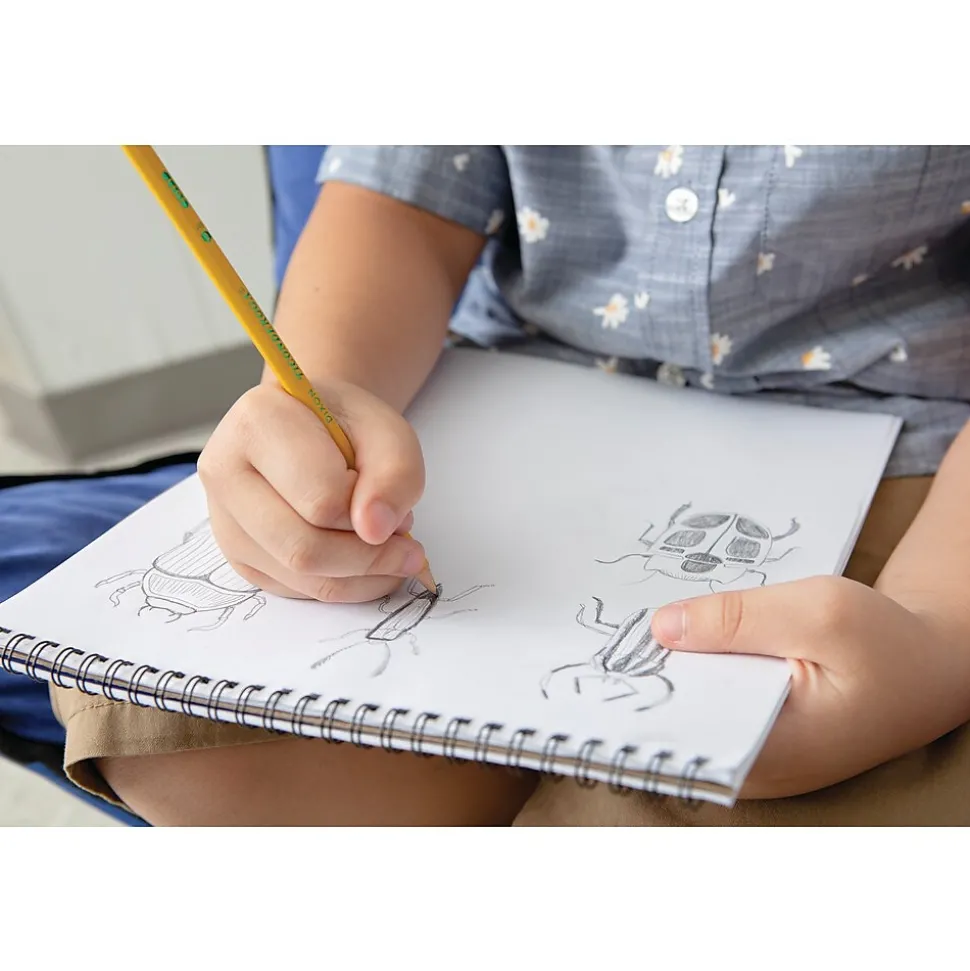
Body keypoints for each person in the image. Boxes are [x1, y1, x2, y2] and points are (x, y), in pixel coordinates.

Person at [49, 146, 970, 825]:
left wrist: (941, 634)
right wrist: (328, 393)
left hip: (916, 466)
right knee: (179, 737)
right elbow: (403, 208)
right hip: (508, 404)